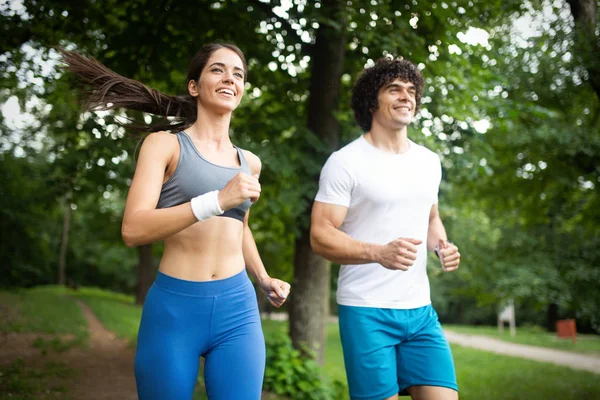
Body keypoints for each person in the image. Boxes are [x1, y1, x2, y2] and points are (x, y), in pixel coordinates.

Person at [62, 43, 291, 400]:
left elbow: (239, 226)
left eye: (238, 73)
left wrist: (262, 277)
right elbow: (133, 229)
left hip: (238, 309)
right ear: (194, 86)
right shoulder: (165, 145)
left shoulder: (250, 162)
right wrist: (216, 200)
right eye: (218, 69)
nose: (230, 77)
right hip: (175, 309)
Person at [310, 57, 461, 400]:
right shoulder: (345, 162)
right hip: (366, 310)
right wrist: (378, 252)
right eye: (394, 89)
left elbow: (431, 217)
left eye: (411, 91)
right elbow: (320, 235)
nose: (406, 96)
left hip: (420, 311)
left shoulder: (428, 161)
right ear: (371, 101)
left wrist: (441, 246)